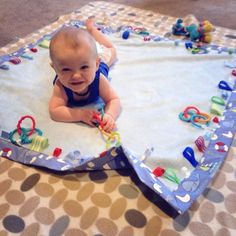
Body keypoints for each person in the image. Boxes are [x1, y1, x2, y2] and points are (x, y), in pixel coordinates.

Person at [49, 18, 121, 132]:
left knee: (111, 51)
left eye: (84, 67)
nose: (76, 76)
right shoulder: (60, 85)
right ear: (55, 69)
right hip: (88, 59)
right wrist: (80, 115)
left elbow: (114, 100)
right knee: (85, 56)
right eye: (66, 69)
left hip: (99, 64)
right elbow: (54, 111)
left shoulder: (99, 79)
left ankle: (91, 30)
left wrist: (110, 115)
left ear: (96, 64)